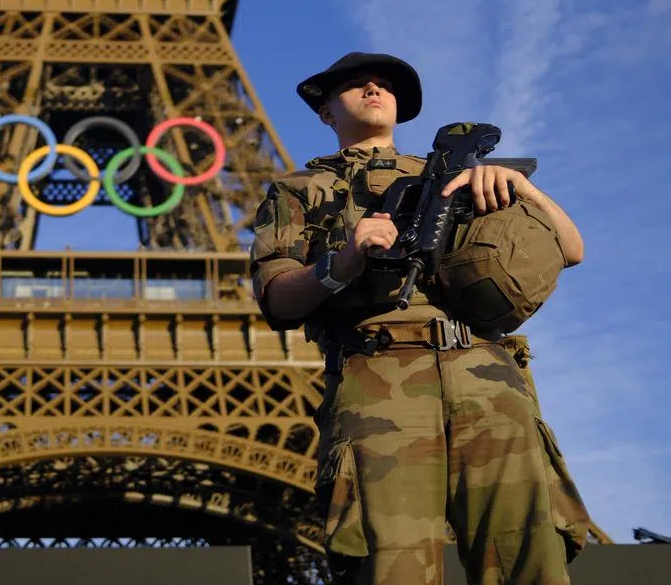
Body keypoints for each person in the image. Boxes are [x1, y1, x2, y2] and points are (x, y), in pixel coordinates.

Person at [248, 53, 590, 584]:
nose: (372, 87)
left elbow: (570, 250)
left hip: (486, 372)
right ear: (325, 112)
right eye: (354, 84)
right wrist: (341, 264)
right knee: (393, 563)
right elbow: (277, 299)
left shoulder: (458, 175)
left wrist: (522, 190)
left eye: (384, 83)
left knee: (528, 554)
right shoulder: (299, 191)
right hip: (378, 375)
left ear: (401, 107)